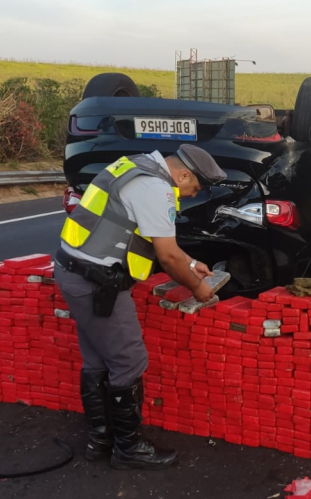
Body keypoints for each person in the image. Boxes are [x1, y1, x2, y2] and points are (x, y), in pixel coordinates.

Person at [54, 144, 226, 470]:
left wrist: (193, 264)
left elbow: (134, 232)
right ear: (183, 173)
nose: (192, 195)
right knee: (130, 360)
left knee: (97, 357)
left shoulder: (133, 165)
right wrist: (197, 286)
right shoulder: (156, 188)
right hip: (98, 283)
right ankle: (129, 449)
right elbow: (167, 255)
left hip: (75, 272)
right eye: (195, 187)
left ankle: (100, 439)